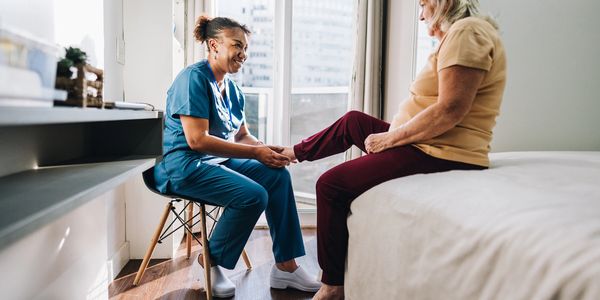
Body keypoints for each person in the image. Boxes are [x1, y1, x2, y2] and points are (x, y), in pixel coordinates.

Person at [280, 0, 507, 299]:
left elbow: (450, 109)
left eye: (424, 5)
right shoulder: (463, 34)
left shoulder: (467, 32)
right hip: (429, 141)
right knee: (353, 121)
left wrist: (389, 139)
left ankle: (332, 284)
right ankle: (292, 153)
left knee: (330, 185)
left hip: (441, 149)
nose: (421, 14)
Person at [153, 16, 321, 298]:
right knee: (253, 195)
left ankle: (286, 267)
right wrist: (256, 153)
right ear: (214, 45)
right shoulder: (193, 79)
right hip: (182, 166)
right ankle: (209, 262)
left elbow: (242, 136)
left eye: (245, 47)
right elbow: (197, 140)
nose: (243, 54)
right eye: (236, 45)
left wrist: (268, 150)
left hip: (215, 162)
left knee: (277, 176)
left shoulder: (231, 89)